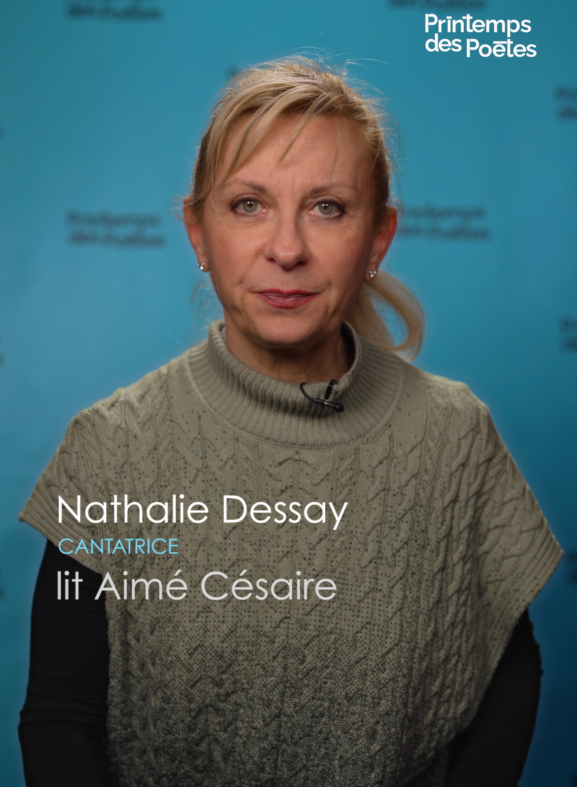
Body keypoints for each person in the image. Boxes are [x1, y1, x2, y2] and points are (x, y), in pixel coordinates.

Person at [18, 57, 562, 787]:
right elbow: (61, 718)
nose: (286, 249)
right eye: (248, 204)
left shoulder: (455, 437)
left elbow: (508, 666)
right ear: (198, 233)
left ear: (378, 238)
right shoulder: (111, 449)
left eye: (327, 207)